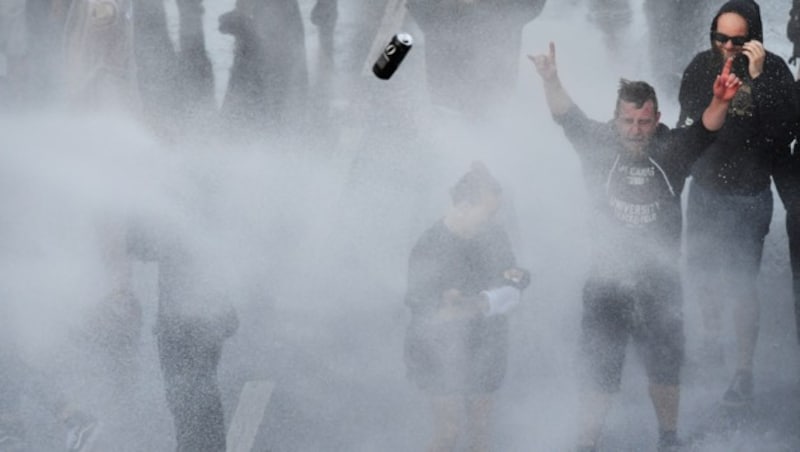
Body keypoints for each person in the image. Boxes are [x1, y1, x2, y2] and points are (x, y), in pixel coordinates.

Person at [530, 41, 740, 451]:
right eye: (628, 121)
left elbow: (704, 129)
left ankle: (668, 439)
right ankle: (587, 442)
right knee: (599, 371)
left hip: (659, 284)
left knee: (665, 368)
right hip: (606, 282)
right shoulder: (598, 142)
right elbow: (565, 115)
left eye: (644, 122)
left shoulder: (671, 148)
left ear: (657, 118)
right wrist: (551, 79)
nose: (636, 131)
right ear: (616, 119)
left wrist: (720, 99)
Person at [676, 0, 797, 407]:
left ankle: (743, 371)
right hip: (707, 189)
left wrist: (758, 80)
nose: (727, 47)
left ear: (755, 40)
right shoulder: (701, 66)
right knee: (704, 273)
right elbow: (690, 125)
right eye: (720, 38)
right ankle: (711, 343)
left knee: (742, 284)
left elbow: (783, 134)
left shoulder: (776, 71)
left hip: (748, 194)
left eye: (738, 40)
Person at [404, 163, 530, 452]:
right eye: (488, 213)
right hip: (439, 348)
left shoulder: (494, 235)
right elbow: (420, 307)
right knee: (448, 433)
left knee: (481, 430)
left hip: (486, 342)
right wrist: (451, 306)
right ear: (463, 206)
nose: (493, 219)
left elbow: (512, 277)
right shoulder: (430, 246)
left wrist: (515, 282)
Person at [405, 0, 546, 116]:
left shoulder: (508, 12)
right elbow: (417, 6)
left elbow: (532, 6)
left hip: (496, 97)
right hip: (446, 96)